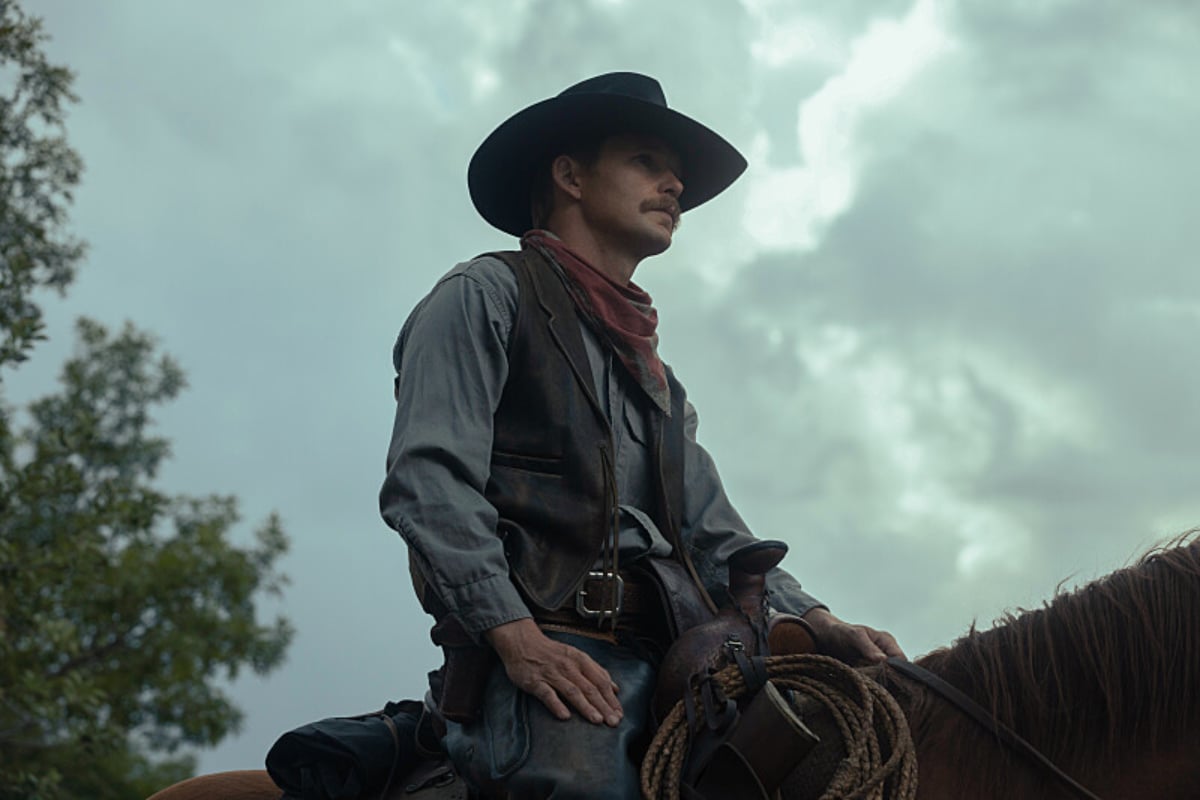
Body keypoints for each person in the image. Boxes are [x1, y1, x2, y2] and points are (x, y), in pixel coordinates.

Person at [379, 72, 903, 800]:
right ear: (569, 176)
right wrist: (516, 638)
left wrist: (817, 620)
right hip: (547, 656)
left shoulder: (657, 377)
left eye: (676, 175)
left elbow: (713, 539)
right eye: (646, 163)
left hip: (674, 655)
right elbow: (428, 483)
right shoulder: (484, 297)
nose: (674, 187)